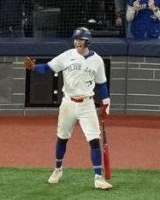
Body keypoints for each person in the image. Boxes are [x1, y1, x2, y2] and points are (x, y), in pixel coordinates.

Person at [24, 27, 113, 190]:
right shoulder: (67, 56)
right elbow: (49, 68)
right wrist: (34, 68)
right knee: (62, 138)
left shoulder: (97, 60)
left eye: (81, 39)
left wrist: (106, 101)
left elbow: (101, 84)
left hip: (87, 104)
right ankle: (57, 169)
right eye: (76, 39)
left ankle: (98, 178)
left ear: (88, 41)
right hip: (68, 104)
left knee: (94, 140)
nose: (78, 42)